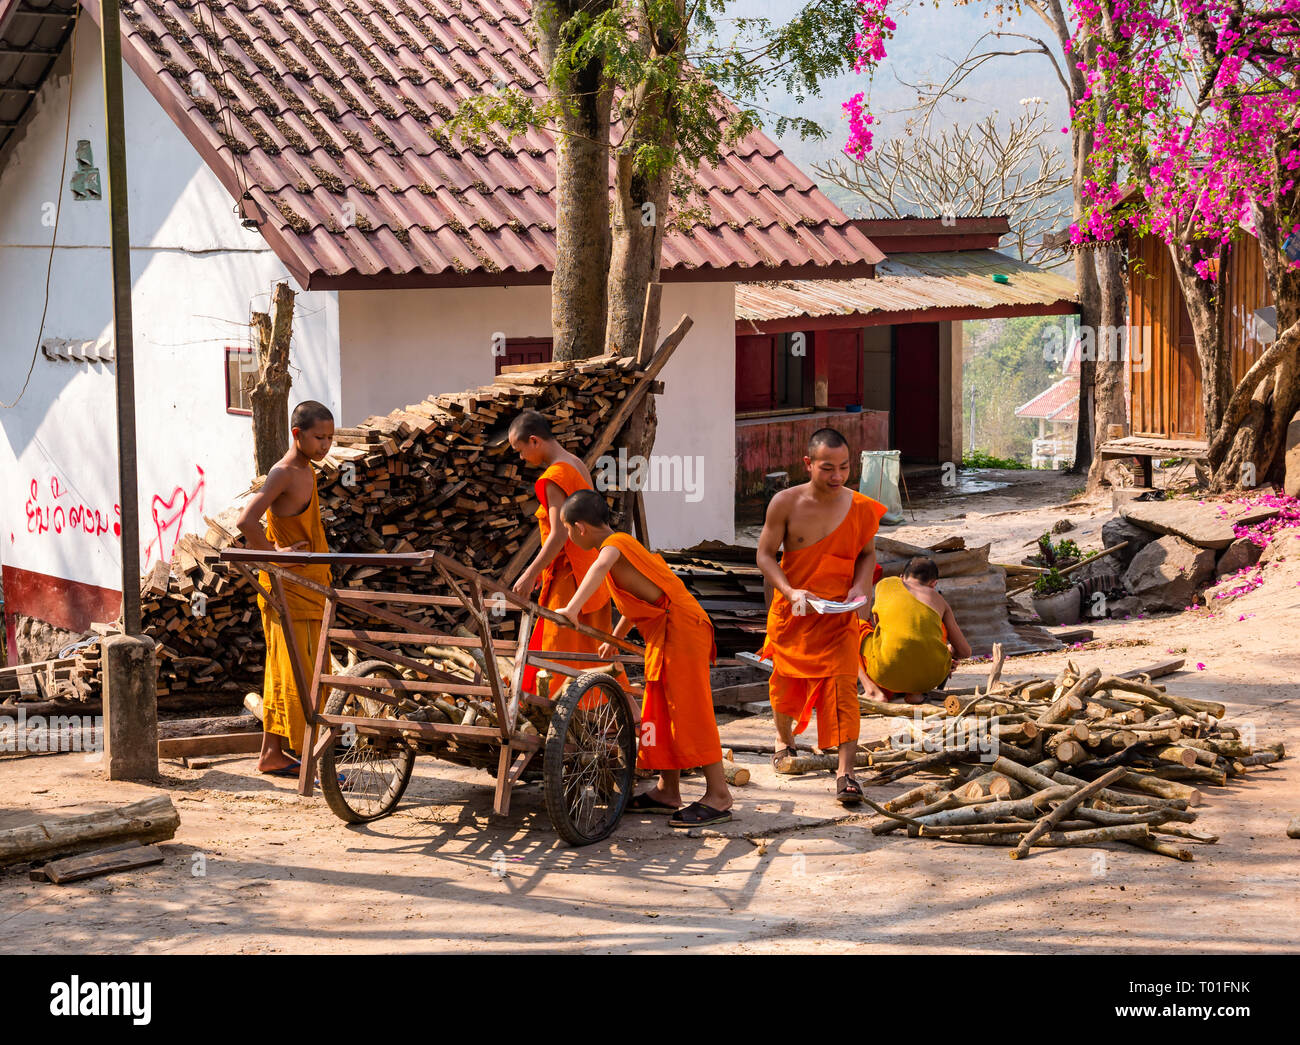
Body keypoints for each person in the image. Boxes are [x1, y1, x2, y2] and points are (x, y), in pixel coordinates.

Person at [557, 489, 732, 828]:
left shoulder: (614, 546)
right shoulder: (621, 548)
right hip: (664, 631)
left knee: (690, 708)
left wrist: (572, 608)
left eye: (566, 530)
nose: (567, 536)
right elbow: (641, 598)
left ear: (579, 528)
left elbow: (600, 567)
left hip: (682, 628)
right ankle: (668, 790)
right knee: (661, 709)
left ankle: (720, 795)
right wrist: (617, 640)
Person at [756, 428, 886, 806]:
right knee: (784, 685)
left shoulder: (860, 506)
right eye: (827, 468)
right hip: (795, 611)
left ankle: (846, 773)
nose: (837, 476)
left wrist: (861, 589)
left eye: (844, 467)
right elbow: (764, 555)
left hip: (839, 614)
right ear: (808, 464)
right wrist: (790, 590)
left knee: (845, 689)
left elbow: (867, 554)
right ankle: (784, 741)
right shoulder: (785, 503)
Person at [235, 400, 335, 777]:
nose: (326, 445)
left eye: (330, 438)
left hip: (306, 586)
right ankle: (310, 759)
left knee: (284, 669)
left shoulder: (306, 469)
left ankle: (271, 754)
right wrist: (276, 556)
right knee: (300, 673)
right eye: (319, 438)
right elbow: (247, 520)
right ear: (298, 435)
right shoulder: (286, 472)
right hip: (290, 590)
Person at [507, 410, 623, 694]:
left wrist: (529, 572)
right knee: (596, 649)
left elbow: (559, 535)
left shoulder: (555, 476)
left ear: (534, 441)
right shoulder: (576, 463)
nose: (521, 458)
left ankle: (563, 721)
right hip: (592, 569)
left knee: (558, 652)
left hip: (570, 575)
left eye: (520, 451)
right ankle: (623, 714)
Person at [859, 556, 971, 704]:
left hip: (885, 672)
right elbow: (965, 652)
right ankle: (916, 694)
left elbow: (878, 623)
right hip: (931, 678)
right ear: (933, 584)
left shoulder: (886, 585)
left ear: (901, 578)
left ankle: (872, 691)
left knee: (851, 628)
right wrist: (949, 651)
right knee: (934, 628)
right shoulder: (939, 600)